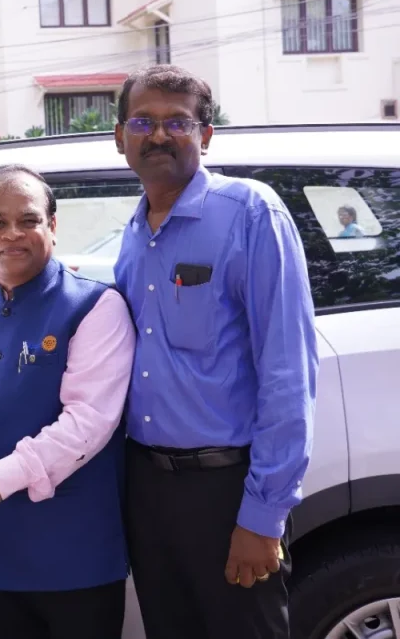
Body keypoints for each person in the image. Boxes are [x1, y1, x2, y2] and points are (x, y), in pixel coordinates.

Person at [111, 64, 318, 639]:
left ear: (205, 134)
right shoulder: (130, 236)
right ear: (119, 136)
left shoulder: (251, 213)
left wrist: (263, 515)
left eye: (178, 122)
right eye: (142, 121)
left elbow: (288, 372)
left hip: (227, 490)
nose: (158, 135)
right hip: (148, 491)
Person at [0, 164, 136, 639]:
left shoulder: (96, 307)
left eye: (28, 220)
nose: (12, 234)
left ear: (51, 226)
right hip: (0, 546)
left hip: (75, 548)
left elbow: (88, 423)